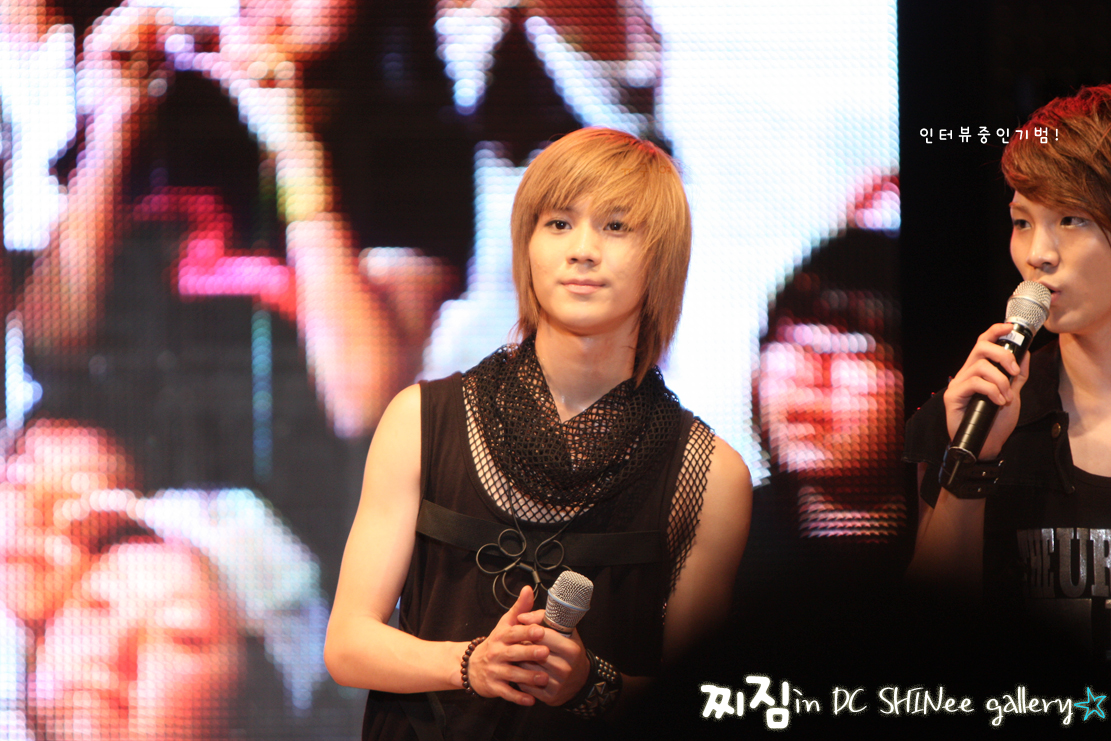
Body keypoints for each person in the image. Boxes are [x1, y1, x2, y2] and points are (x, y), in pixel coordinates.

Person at [324, 127, 752, 739]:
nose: (583, 250)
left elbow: (702, 700)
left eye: (616, 226)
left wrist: (589, 683)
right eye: (559, 224)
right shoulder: (420, 419)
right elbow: (348, 644)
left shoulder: (709, 476)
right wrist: (471, 663)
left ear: (662, 258)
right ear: (525, 245)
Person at [905, 85, 1111, 660]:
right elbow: (928, 642)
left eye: (1070, 219)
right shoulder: (973, 411)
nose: (1038, 253)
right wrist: (971, 460)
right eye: (1022, 222)